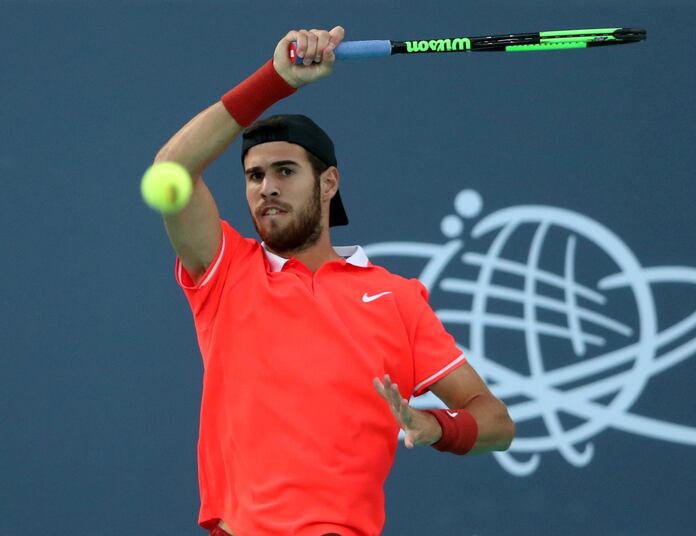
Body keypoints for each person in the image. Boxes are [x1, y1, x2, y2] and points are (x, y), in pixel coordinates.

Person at [153, 25, 515, 536]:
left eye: (284, 171)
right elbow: (173, 168)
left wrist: (434, 426)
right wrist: (274, 80)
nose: (267, 189)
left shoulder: (397, 297)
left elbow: (496, 423)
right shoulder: (225, 270)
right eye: (254, 176)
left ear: (328, 183)